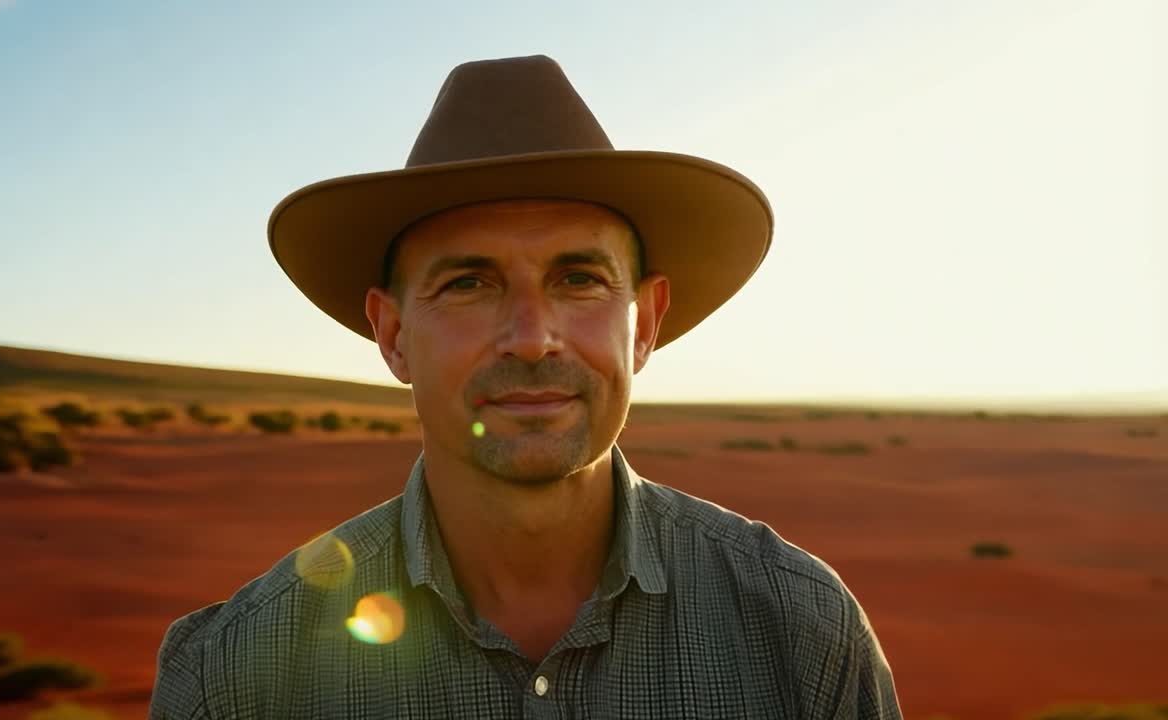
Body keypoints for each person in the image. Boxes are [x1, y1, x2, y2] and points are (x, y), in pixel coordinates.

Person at [150, 54, 902, 719]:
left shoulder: (801, 633)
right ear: (393, 334)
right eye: (469, 282)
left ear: (644, 325)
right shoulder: (237, 679)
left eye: (578, 279)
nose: (532, 337)